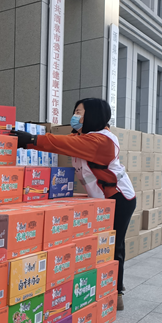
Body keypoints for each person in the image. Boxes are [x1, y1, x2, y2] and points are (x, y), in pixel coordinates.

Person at [10, 98, 136, 311]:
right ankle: (101, 284)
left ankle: (116, 292)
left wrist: (31, 139)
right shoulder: (83, 136)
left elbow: (62, 144)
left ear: (93, 115)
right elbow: (59, 143)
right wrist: (26, 141)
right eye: (75, 111)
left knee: (113, 244)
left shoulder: (102, 140)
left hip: (118, 198)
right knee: (99, 244)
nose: (75, 116)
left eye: (79, 112)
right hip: (100, 198)